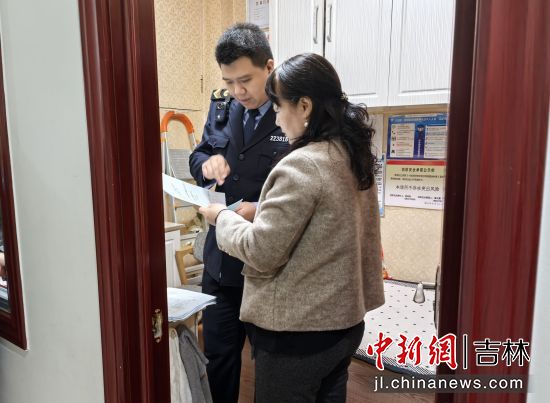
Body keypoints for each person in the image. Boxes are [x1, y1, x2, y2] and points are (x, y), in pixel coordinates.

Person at [199, 53, 385, 402]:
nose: (275, 117)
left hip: (299, 331)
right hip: (344, 323)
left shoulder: (302, 164)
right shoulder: (350, 153)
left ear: (304, 106)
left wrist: (221, 217)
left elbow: (260, 251)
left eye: (278, 107)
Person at [188, 23, 288, 403]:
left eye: (245, 80)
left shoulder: (291, 110)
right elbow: (200, 153)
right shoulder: (222, 107)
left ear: (269, 67)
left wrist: (258, 210)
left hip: (268, 267)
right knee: (219, 359)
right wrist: (207, 164)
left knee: (272, 368)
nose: (237, 91)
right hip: (221, 262)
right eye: (229, 82)